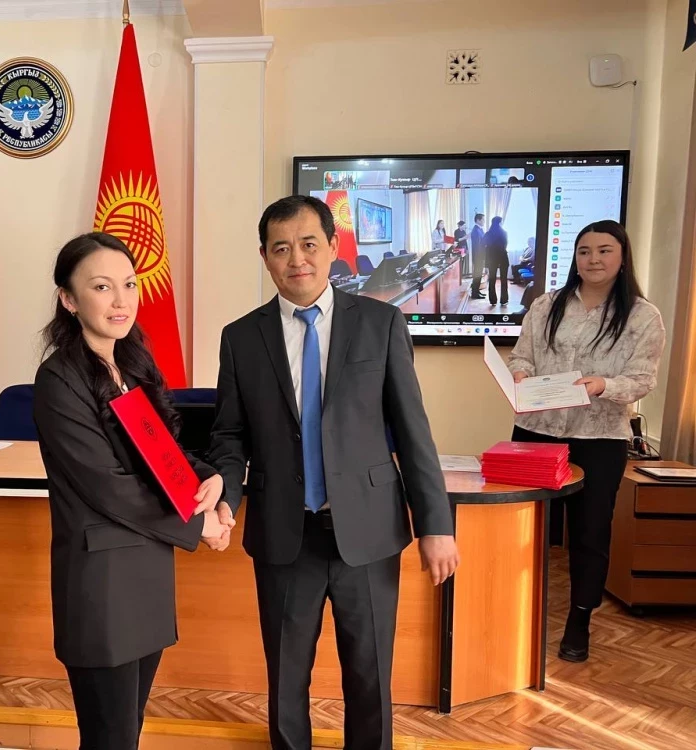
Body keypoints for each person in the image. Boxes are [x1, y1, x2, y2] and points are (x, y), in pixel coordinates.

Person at [207, 195, 459, 750]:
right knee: (286, 679)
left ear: (333, 247)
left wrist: (436, 524)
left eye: (308, 244)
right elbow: (229, 435)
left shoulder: (380, 323)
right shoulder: (241, 338)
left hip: (367, 533)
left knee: (370, 677)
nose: (296, 259)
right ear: (265, 257)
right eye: (281, 248)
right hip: (284, 533)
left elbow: (412, 431)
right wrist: (225, 495)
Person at [33, 232, 234, 750]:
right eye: (102, 287)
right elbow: (108, 486)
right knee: (109, 738)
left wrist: (208, 478)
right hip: (102, 586)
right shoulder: (59, 380)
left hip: (145, 573)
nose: (121, 300)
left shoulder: (131, 365)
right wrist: (198, 523)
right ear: (69, 299)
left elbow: (160, 453)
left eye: (129, 284)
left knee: (129, 730)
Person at [508, 220, 665, 663]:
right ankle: (515, 611)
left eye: (604, 250)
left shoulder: (642, 315)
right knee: (523, 527)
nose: (593, 259)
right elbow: (522, 355)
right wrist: (518, 373)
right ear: (574, 258)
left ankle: (579, 621)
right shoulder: (546, 305)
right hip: (537, 430)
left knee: (590, 532)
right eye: (584, 251)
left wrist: (603, 385)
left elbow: (643, 379)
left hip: (598, 436)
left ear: (622, 256)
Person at [483, 215, 509, 306]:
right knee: (504, 279)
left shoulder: (488, 234)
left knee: (492, 279)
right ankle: (504, 300)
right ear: (500, 223)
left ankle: (493, 300)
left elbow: (483, 245)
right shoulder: (504, 233)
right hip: (503, 257)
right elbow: (505, 245)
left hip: (492, 258)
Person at [469, 213, 486, 299]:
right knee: (477, 275)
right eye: (483, 219)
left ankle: (477, 291)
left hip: (480, 256)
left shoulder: (479, 229)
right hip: (478, 257)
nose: (484, 221)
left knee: (479, 275)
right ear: (478, 220)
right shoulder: (476, 231)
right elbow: (477, 246)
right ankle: (474, 293)